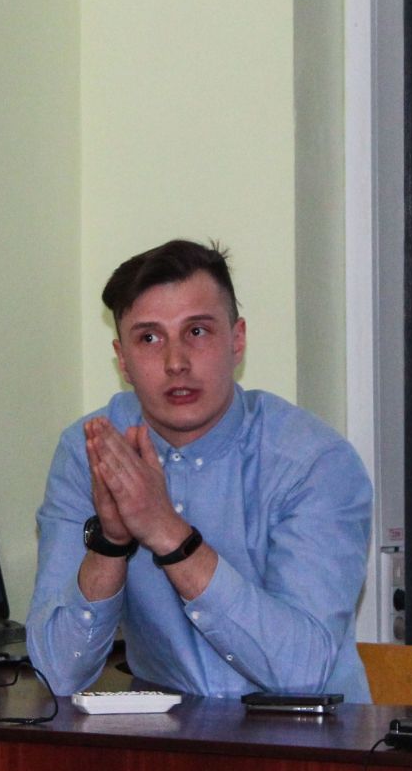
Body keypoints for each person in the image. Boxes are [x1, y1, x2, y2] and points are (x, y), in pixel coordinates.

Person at [26, 239, 373, 700]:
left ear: (237, 340)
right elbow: (58, 673)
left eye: (197, 331)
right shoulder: (92, 450)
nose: (176, 363)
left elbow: (302, 673)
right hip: (171, 734)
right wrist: (110, 544)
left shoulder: (314, 463)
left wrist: (169, 534)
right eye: (149, 338)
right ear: (122, 360)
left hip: (308, 737)